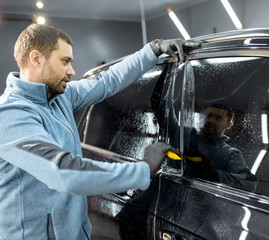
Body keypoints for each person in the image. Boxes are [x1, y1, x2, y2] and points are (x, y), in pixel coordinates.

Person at [0, 23, 201, 240]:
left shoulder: (59, 97)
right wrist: (142, 170)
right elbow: (63, 172)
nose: (72, 71)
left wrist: (152, 50)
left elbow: (107, 80)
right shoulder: (10, 115)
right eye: (65, 61)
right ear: (36, 59)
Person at [151, 67, 257, 191]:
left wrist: (211, 174)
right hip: (160, 197)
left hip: (193, 207)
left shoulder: (230, 154)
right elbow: (159, 103)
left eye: (217, 118)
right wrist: (171, 67)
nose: (211, 120)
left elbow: (249, 184)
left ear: (229, 124)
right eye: (208, 116)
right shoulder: (182, 133)